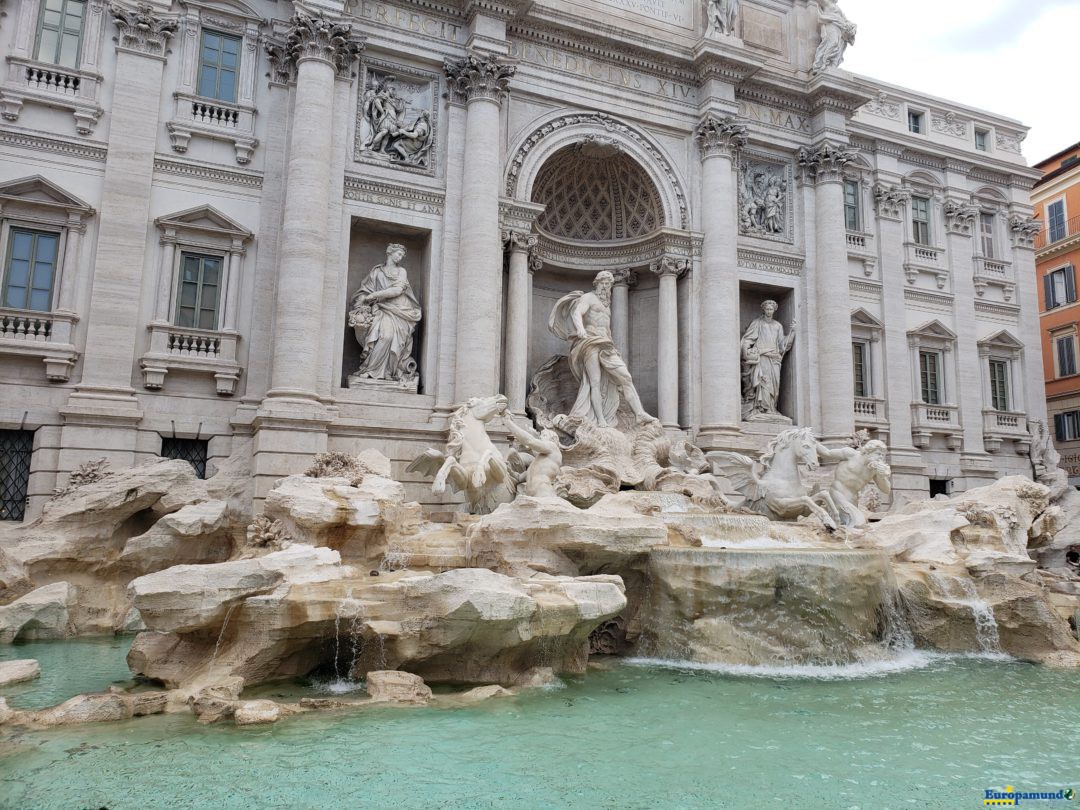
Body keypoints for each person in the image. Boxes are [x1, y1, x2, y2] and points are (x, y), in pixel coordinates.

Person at [549, 271, 657, 428]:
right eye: (603, 283)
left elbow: (607, 328)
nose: (605, 287)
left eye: (608, 284)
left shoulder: (607, 304)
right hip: (590, 342)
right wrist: (580, 329)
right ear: (596, 283)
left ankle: (639, 413)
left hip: (606, 345)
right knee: (595, 382)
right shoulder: (588, 297)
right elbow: (577, 313)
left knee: (625, 377)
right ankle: (600, 420)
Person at [349, 243, 422, 382]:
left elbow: (397, 290)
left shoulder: (402, 271)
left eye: (402, 255)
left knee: (392, 339)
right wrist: (363, 300)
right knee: (384, 336)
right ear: (390, 252)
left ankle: (389, 372)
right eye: (398, 254)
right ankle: (371, 369)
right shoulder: (376, 272)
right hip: (382, 308)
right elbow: (365, 291)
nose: (400, 257)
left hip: (401, 310)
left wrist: (374, 295)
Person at [816, 439, 891, 527]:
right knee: (858, 521)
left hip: (853, 501)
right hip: (837, 493)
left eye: (882, 455)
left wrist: (881, 476)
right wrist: (812, 442)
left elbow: (886, 490)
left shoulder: (874, 470)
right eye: (878, 454)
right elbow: (826, 453)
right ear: (868, 451)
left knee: (846, 525)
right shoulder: (851, 454)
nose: (881, 457)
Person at [741, 300, 795, 419]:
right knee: (764, 383)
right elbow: (748, 339)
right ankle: (762, 408)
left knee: (774, 386)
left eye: (771, 309)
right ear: (763, 309)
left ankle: (772, 408)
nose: (769, 311)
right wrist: (746, 351)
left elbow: (782, 345)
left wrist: (792, 333)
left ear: (774, 310)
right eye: (767, 309)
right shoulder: (757, 323)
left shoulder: (778, 326)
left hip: (774, 359)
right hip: (762, 357)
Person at [502, 414, 563, 499]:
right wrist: (508, 469)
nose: (541, 438)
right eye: (541, 436)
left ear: (553, 439)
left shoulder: (553, 447)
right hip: (531, 498)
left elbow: (530, 441)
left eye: (544, 436)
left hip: (543, 494)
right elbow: (519, 478)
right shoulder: (537, 462)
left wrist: (508, 422)